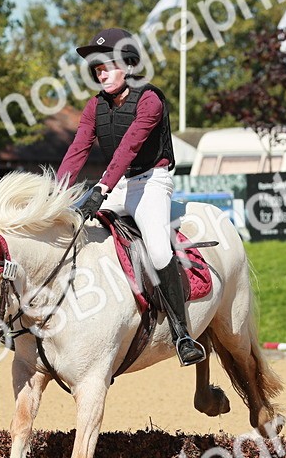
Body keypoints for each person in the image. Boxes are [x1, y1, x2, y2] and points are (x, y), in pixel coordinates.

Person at [56, 27, 205, 366]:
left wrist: (100, 189)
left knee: (156, 246)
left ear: (128, 63)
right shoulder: (95, 107)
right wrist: (56, 195)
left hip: (152, 182)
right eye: (97, 68)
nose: (101, 72)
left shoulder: (150, 99)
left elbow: (127, 150)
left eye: (107, 65)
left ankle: (182, 334)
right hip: (119, 184)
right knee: (75, 230)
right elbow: (78, 149)